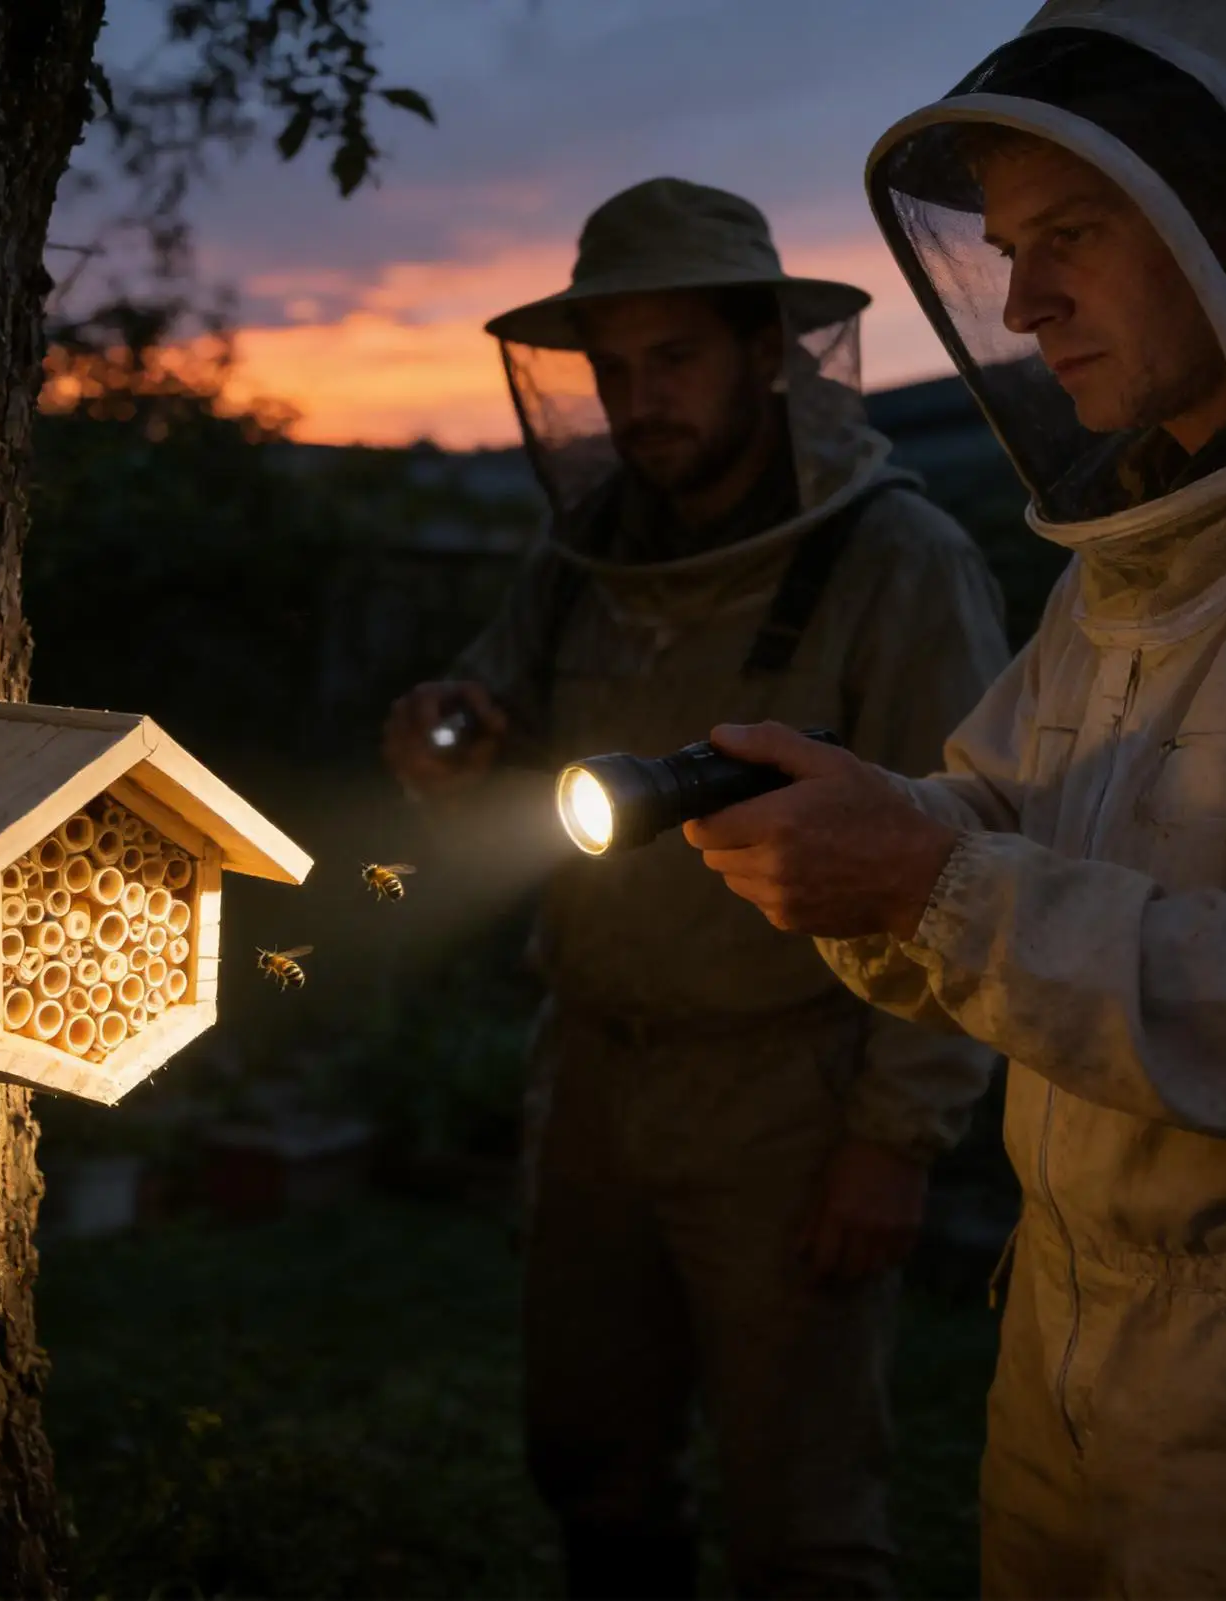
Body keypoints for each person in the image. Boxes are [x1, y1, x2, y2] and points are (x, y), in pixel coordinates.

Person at [681, 8, 1226, 1596]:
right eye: (1009, 250)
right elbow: (999, 816)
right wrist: (859, 821)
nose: (1022, 303)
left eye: (1073, 234)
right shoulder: (1128, 566)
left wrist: (919, 884)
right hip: (1063, 1327)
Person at [382, 177, 1009, 1599]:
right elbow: (490, 720)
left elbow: (971, 858)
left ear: (764, 352)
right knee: (590, 1461)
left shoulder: (899, 561)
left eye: (674, 358)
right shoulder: (585, 555)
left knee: (803, 1515)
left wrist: (896, 1143)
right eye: (614, 369)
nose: (640, 399)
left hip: (790, 1093)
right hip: (593, 1073)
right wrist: (443, 737)